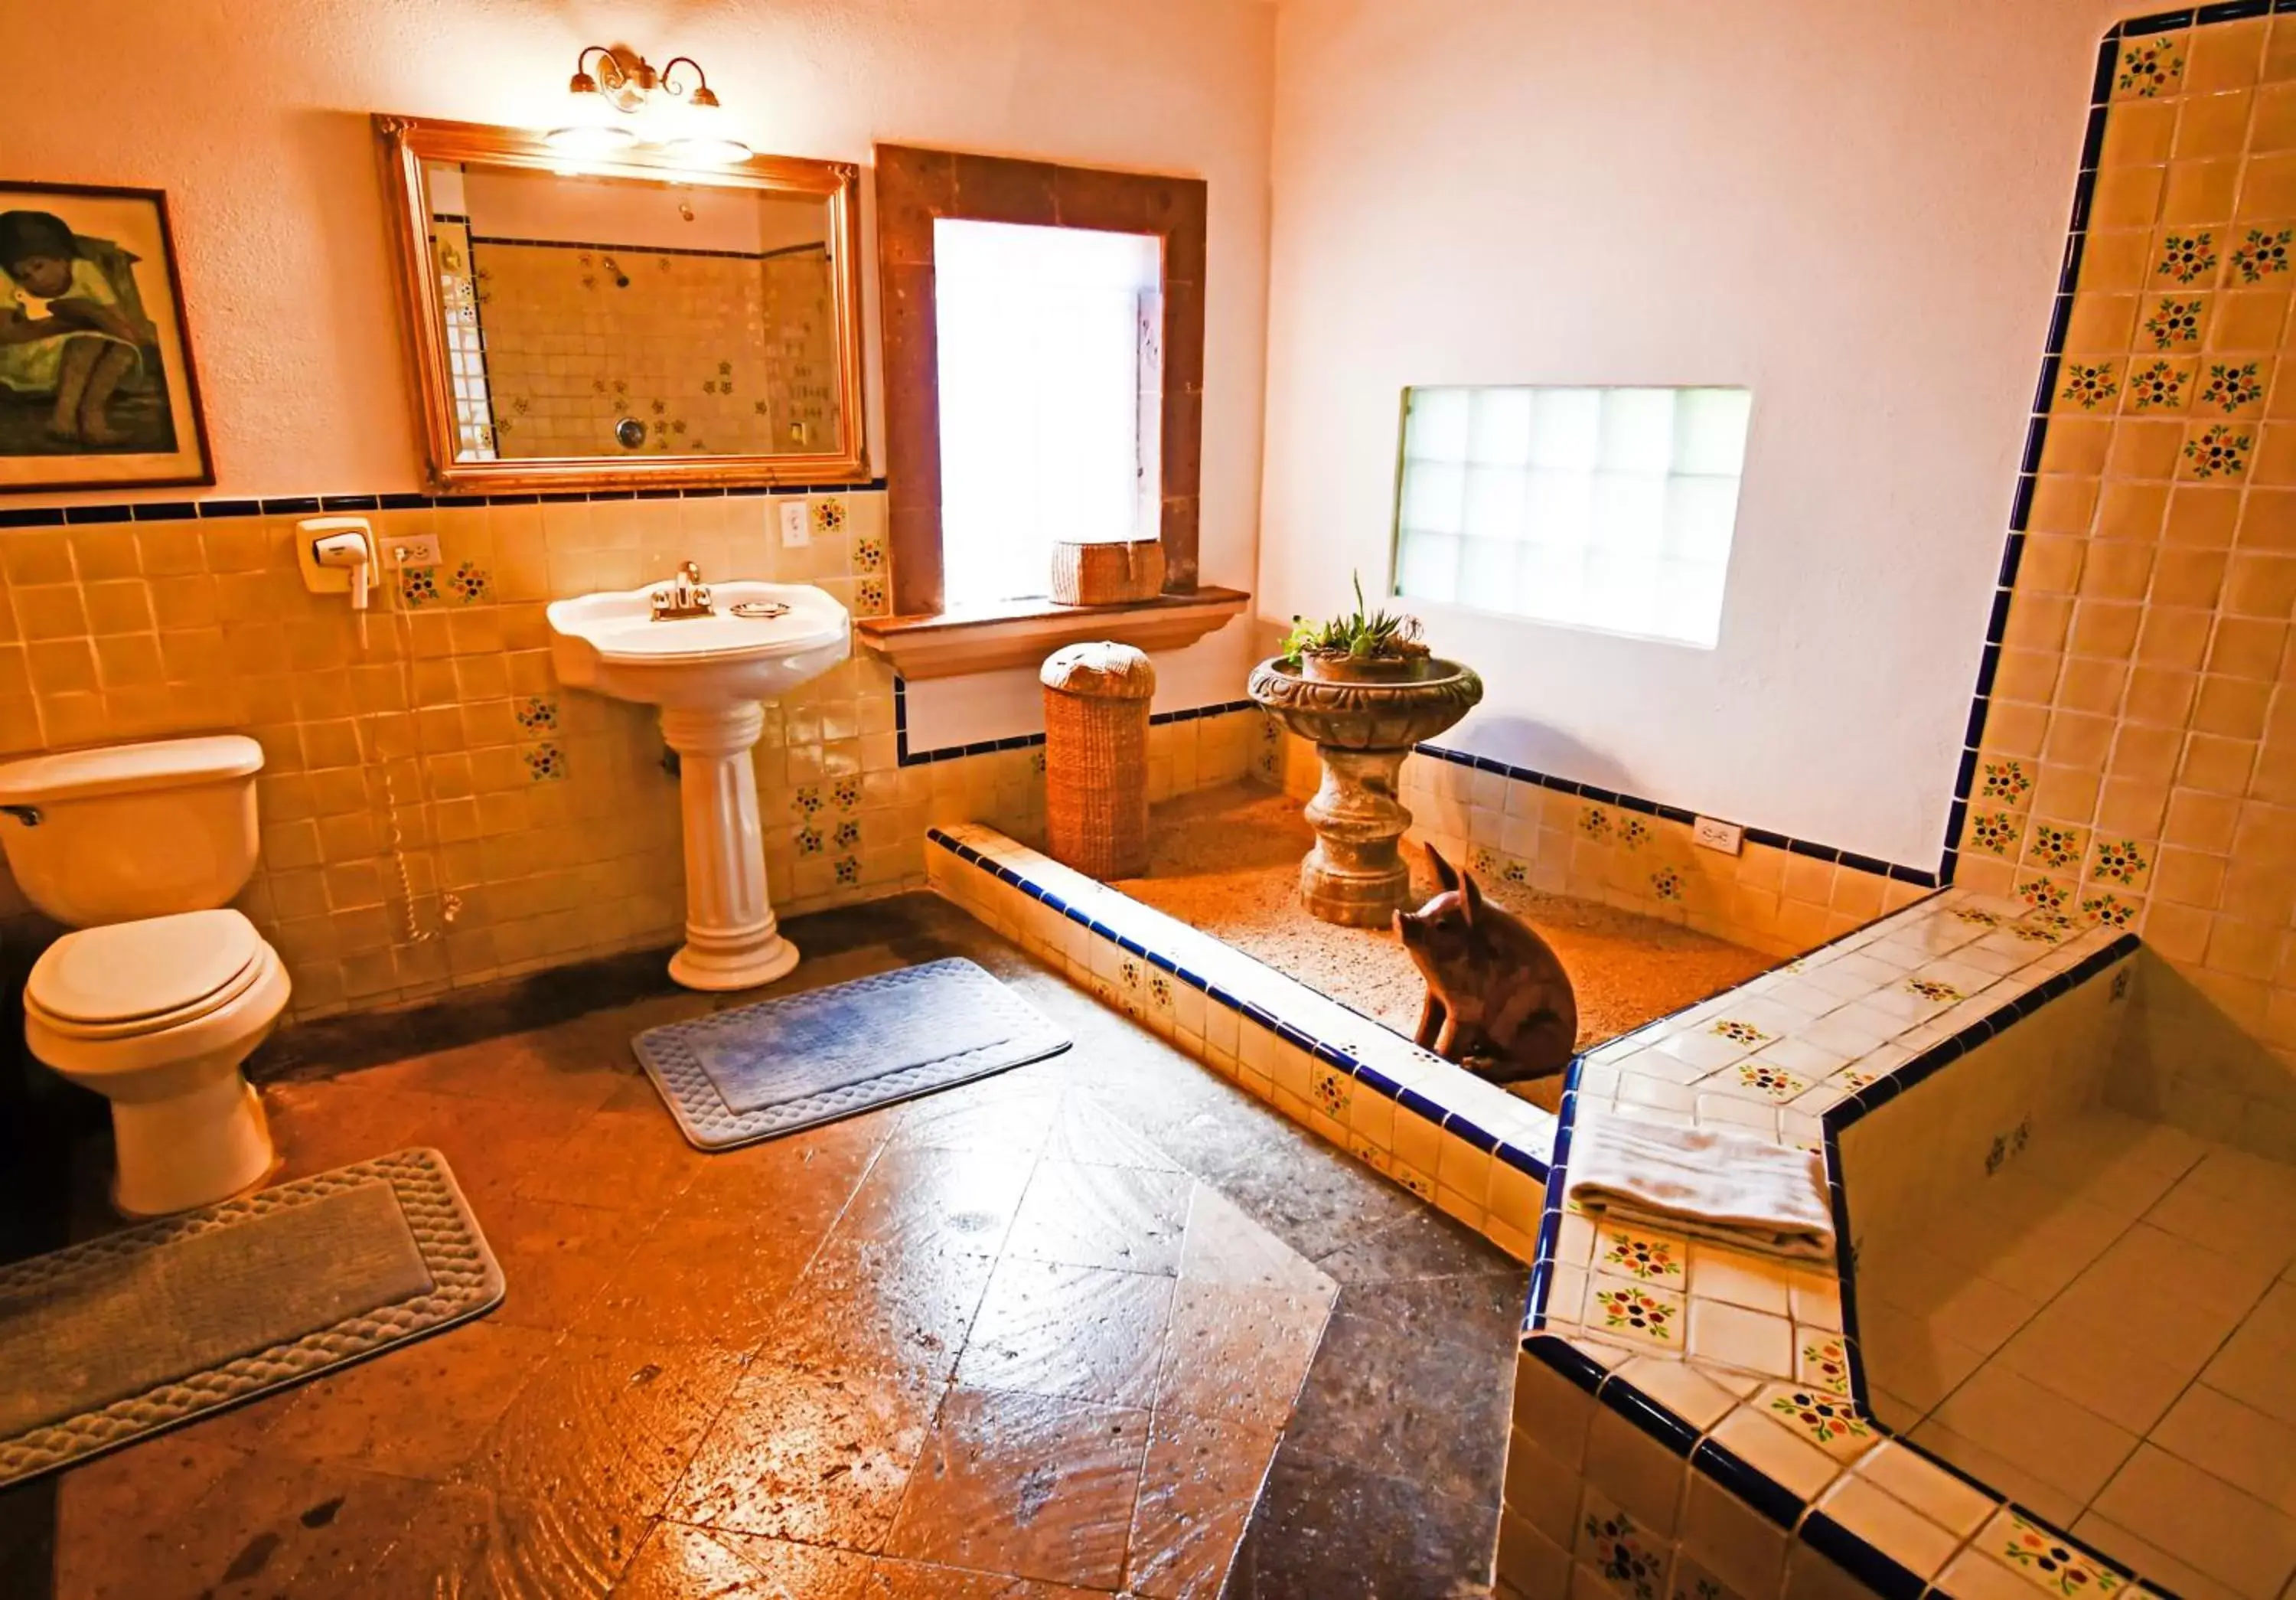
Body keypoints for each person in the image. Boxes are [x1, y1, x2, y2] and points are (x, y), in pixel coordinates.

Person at [0, 209, 153, 448]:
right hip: (22, 358)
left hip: (84, 351)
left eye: (38, 266)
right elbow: (5, 334)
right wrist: (67, 325)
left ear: (62, 257)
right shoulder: (3, 279)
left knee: (121, 349)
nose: (35, 280)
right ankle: (63, 417)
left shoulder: (84, 271)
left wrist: (89, 311)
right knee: (86, 341)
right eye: (24, 276)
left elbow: (126, 332)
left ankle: (92, 415)